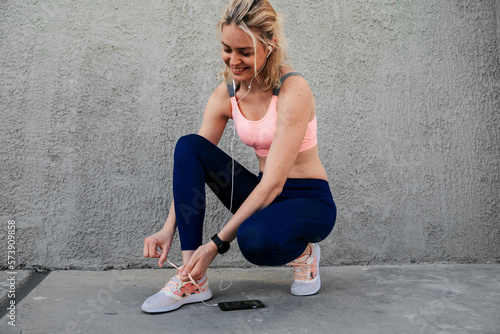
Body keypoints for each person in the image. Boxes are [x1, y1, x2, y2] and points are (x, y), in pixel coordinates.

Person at [141, 0, 336, 313]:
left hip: (309, 200)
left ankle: (305, 253)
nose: (234, 60)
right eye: (227, 49)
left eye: (245, 52)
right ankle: (191, 276)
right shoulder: (227, 94)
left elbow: (273, 183)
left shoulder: (293, 90)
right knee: (189, 145)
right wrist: (168, 228)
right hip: (264, 194)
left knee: (254, 241)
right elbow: (189, 166)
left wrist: (215, 246)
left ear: (270, 46)